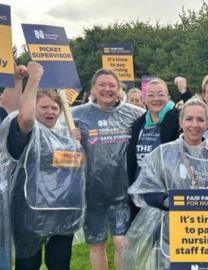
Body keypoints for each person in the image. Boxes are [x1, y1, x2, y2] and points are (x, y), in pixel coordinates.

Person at [0, 62, 85, 270]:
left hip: (63, 210)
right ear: (34, 107)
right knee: (28, 264)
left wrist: (77, 144)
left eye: (54, 108)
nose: (50, 112)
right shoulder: (26, 131)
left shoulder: (67, 133)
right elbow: (26, 118)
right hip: (30, 212)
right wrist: (34, 79)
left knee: (59, 263)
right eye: (44, 107)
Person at [123, 98, 208, 269]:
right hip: (172, 233)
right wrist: (168, 201)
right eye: (189, 119)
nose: (195, 124)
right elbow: (144, 189)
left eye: (201, 119)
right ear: (180, 121)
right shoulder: (163, 154)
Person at [72, 69, 144, 270]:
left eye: (112, 85)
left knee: (122, 243)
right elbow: (59, 148)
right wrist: (71, 139)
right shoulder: (76, 115)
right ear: (93, 89)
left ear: (119, 89)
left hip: (122, 192)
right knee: (97, 243)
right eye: (101, 85)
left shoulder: (135, 114)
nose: (107, 89)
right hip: (92, 192)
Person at [127, 79, 182, 219]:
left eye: (160, 94)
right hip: (141, 195)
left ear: (168, 98)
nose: (156, 99)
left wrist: (185, 93)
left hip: (167, 196)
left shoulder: (177, 119)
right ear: (144, 99)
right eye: (150, 95)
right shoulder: (139, 123)